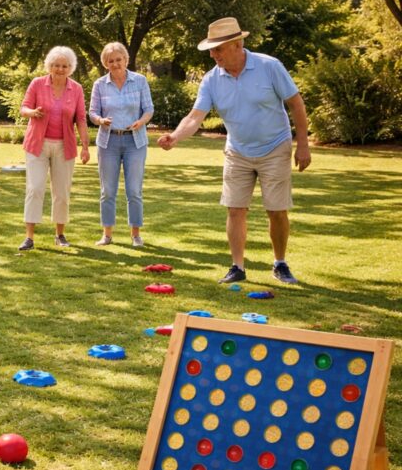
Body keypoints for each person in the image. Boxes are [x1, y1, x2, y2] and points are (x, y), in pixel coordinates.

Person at [158, 17, 311, 284]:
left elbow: (296, 104)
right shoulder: (211, 79)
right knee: (235, 209)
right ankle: (237, 267)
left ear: (237, 45)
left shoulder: (269, 66)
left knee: (276, 210)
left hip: (275, 147)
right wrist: (175, 137)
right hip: (237, 150)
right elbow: (195, 117)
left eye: (218, 49)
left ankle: (280, 263)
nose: (213, 55)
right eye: (211, 50)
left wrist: (303, 145)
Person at [17, 46, 90, 250]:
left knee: (62, 192)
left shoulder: (76, 89)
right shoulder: (37, 83)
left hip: (64, 146)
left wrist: (85, 146)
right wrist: (32, 112)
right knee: (35, 188)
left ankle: (60, 234)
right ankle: (29, 237)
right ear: (50, 66)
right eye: (56, 65)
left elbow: (81, 119)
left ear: (70, 68)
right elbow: (23, 108)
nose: (60, 69)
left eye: (64, 66)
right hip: (37, 144)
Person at [88, 42, 154, 247]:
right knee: (108, 191)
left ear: (126, 60)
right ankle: (107, 234)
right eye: (111, 61)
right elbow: (92, 113)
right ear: (105, 63)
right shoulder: (100, 84)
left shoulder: (140, 81)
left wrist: (141, 122)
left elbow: (149, 109)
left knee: (134, 190)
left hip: (135, 141)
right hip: (108, 142)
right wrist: (100, 120)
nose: (115, 64)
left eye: (119, 59)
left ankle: (135, 234)